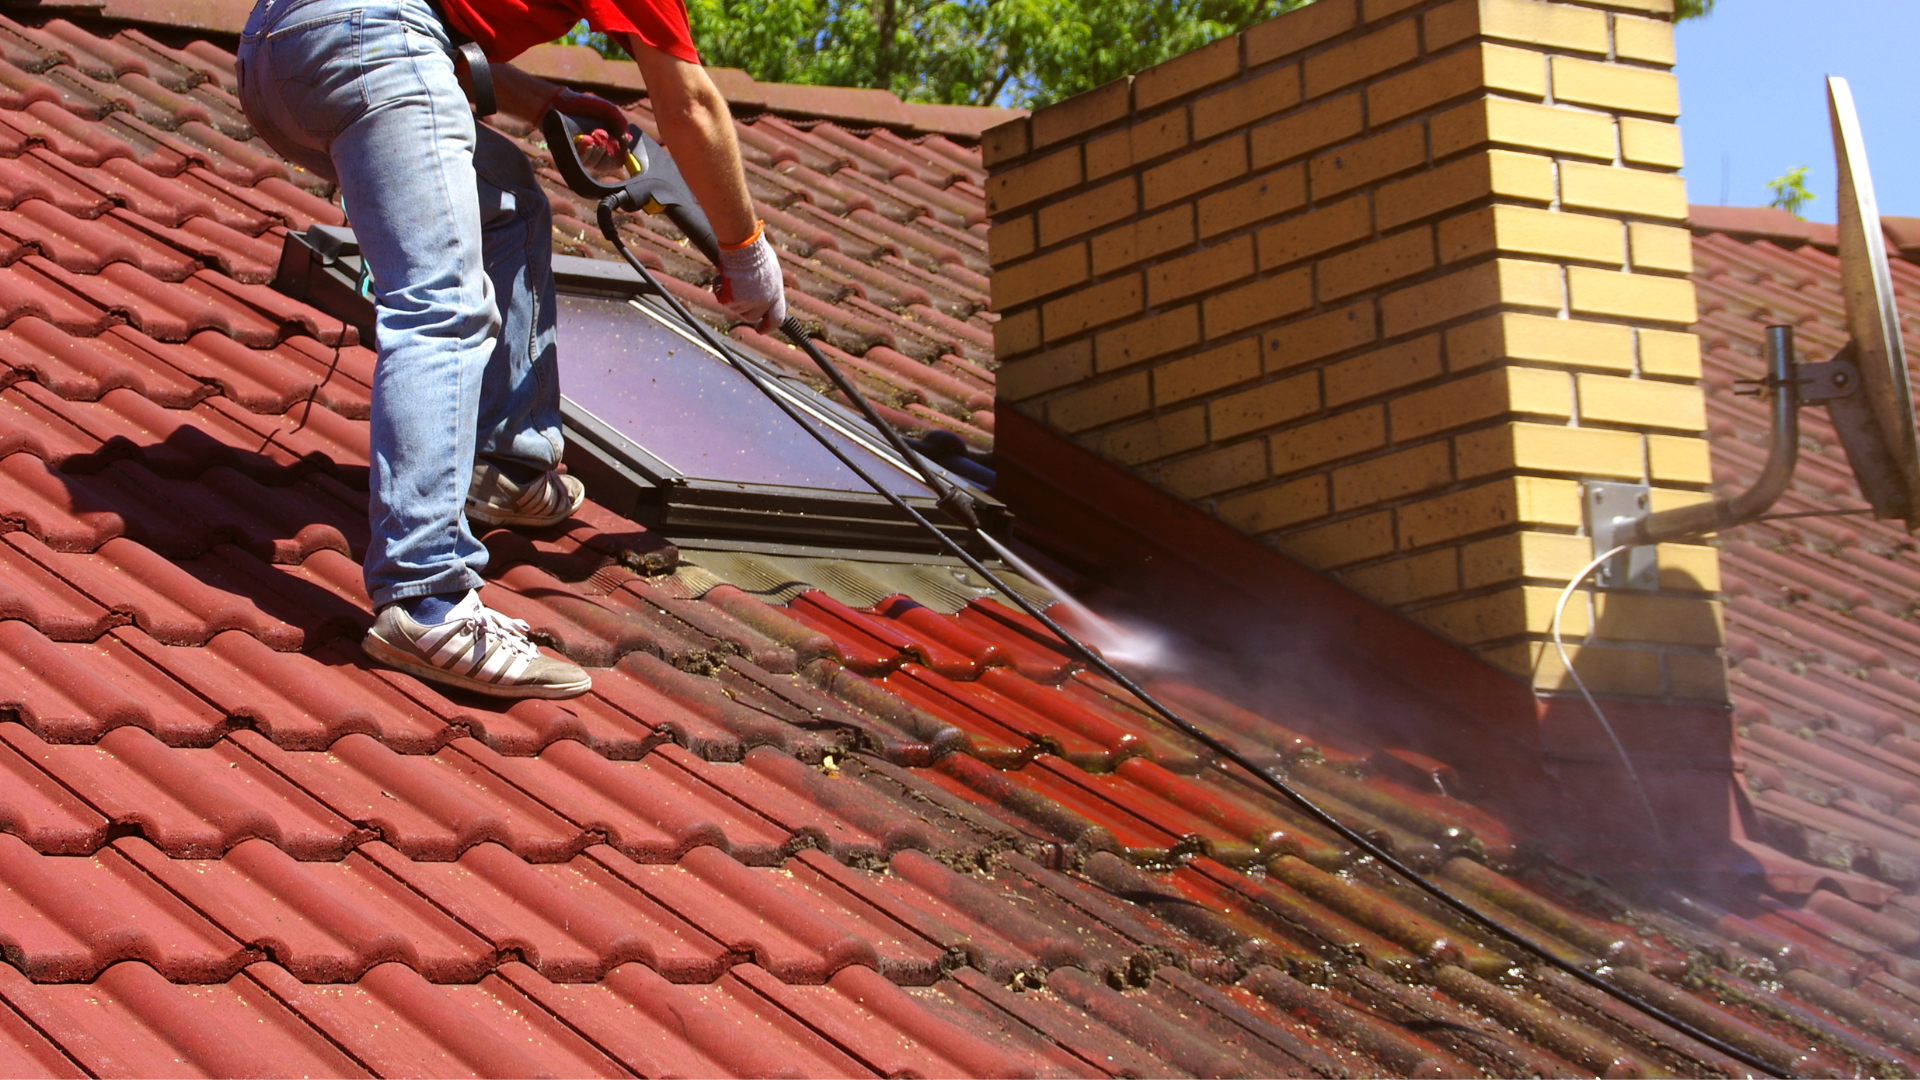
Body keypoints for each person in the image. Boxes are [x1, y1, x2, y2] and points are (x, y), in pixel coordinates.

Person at [235, 0, 784, 698]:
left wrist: (547, 101)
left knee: (505, 200)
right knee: (441, 301)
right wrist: (746, 252)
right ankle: (427, 597)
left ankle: (507, 463)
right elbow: (690, 107)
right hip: (372, 37)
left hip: (276, 56)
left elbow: (431, 34)